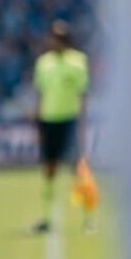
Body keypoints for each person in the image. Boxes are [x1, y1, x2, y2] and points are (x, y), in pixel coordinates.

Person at [32, 20, 89, 233]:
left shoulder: (78, 61)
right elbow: (40, 94)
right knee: (49, 170)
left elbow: (82, 94)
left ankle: (87, 216)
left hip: (69, 120)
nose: (55, 41)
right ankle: (46, 218)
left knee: (78, 169)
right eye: (53, 37)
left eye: (59, 37)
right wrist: (38, 123)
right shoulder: (43, 63)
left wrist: (81, 124)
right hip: (49, 121)